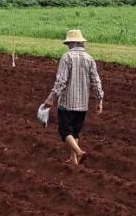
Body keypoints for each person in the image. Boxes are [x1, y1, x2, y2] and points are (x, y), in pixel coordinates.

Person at [42, 29, 104, 166]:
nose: (68, 46)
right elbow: (96, 81)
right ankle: (73, 159)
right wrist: (99, 99)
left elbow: (61, 81)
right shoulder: (89, 58)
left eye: (69, 43)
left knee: (64, 131)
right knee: (75, 132)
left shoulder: (67, 57)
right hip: (83, 104)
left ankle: (79, 152)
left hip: (67, 103)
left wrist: (51, 97)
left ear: (72, 43)